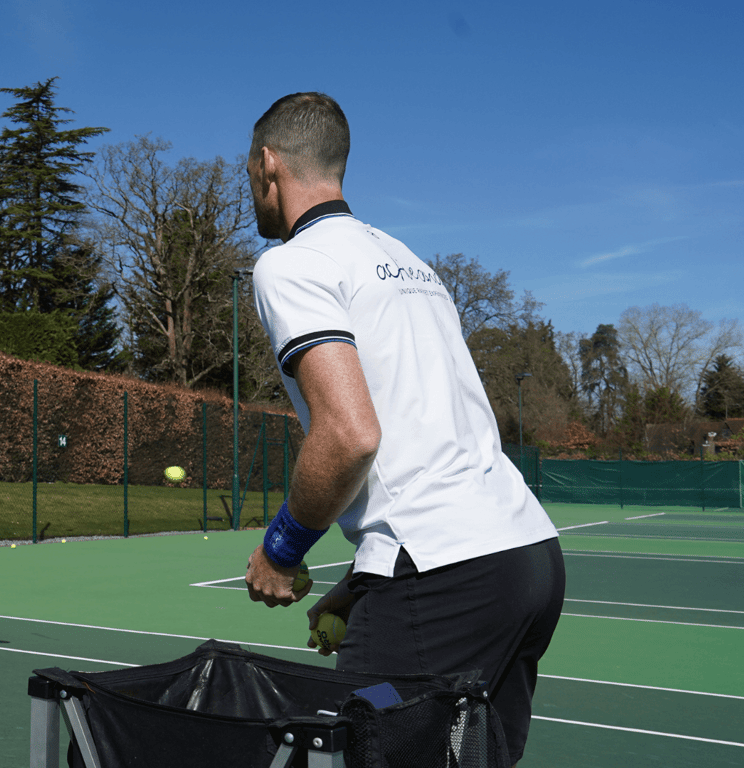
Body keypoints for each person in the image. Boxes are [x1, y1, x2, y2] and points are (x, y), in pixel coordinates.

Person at [241, 92, 564, 765]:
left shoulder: (289, 264)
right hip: (526, 562)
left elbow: (350, 434)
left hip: (446, 580)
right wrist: (366, 578)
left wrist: (282, 550)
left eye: (249, 170)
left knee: (350, 751)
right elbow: (428, 437)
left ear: (268, 164)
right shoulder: (406, 262)